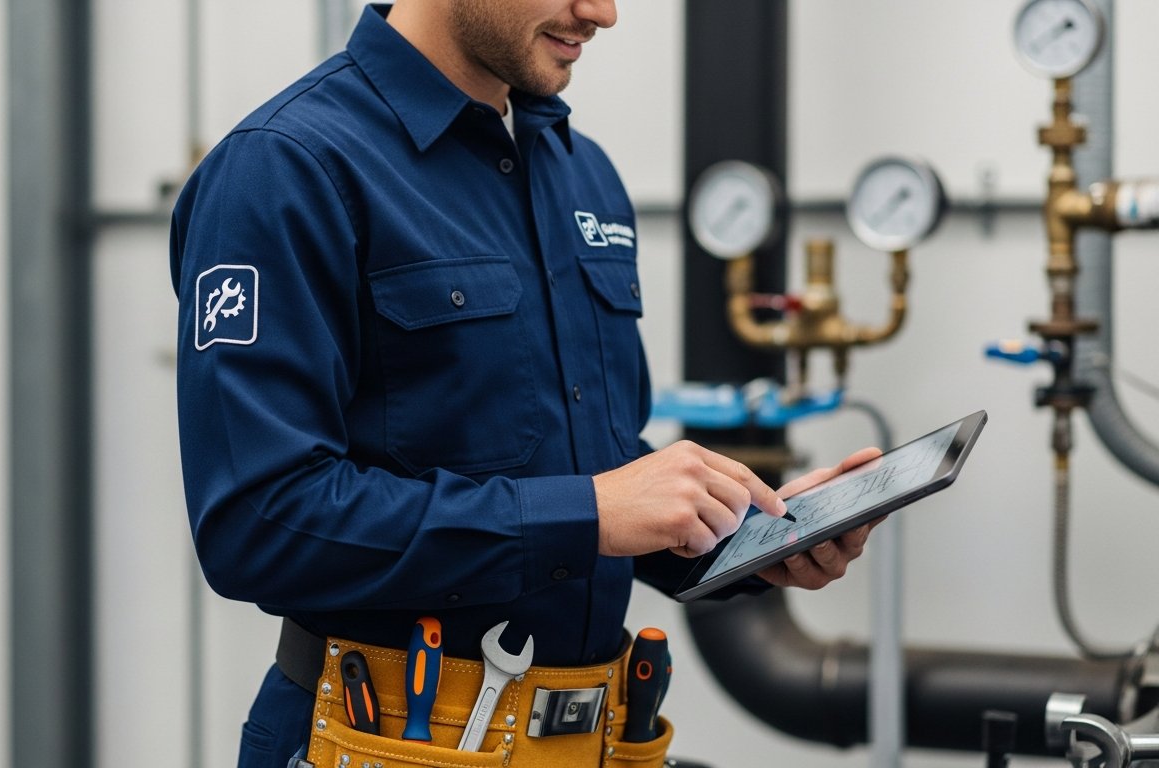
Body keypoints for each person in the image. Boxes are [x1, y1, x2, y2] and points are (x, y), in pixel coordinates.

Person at [169, 2, 883, 766]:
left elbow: (588, 467)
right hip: (382, 741)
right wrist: (587, 516)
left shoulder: (583, 172)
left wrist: (739, 535)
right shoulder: (286, 168)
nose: (602, 13)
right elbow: (260, 522)